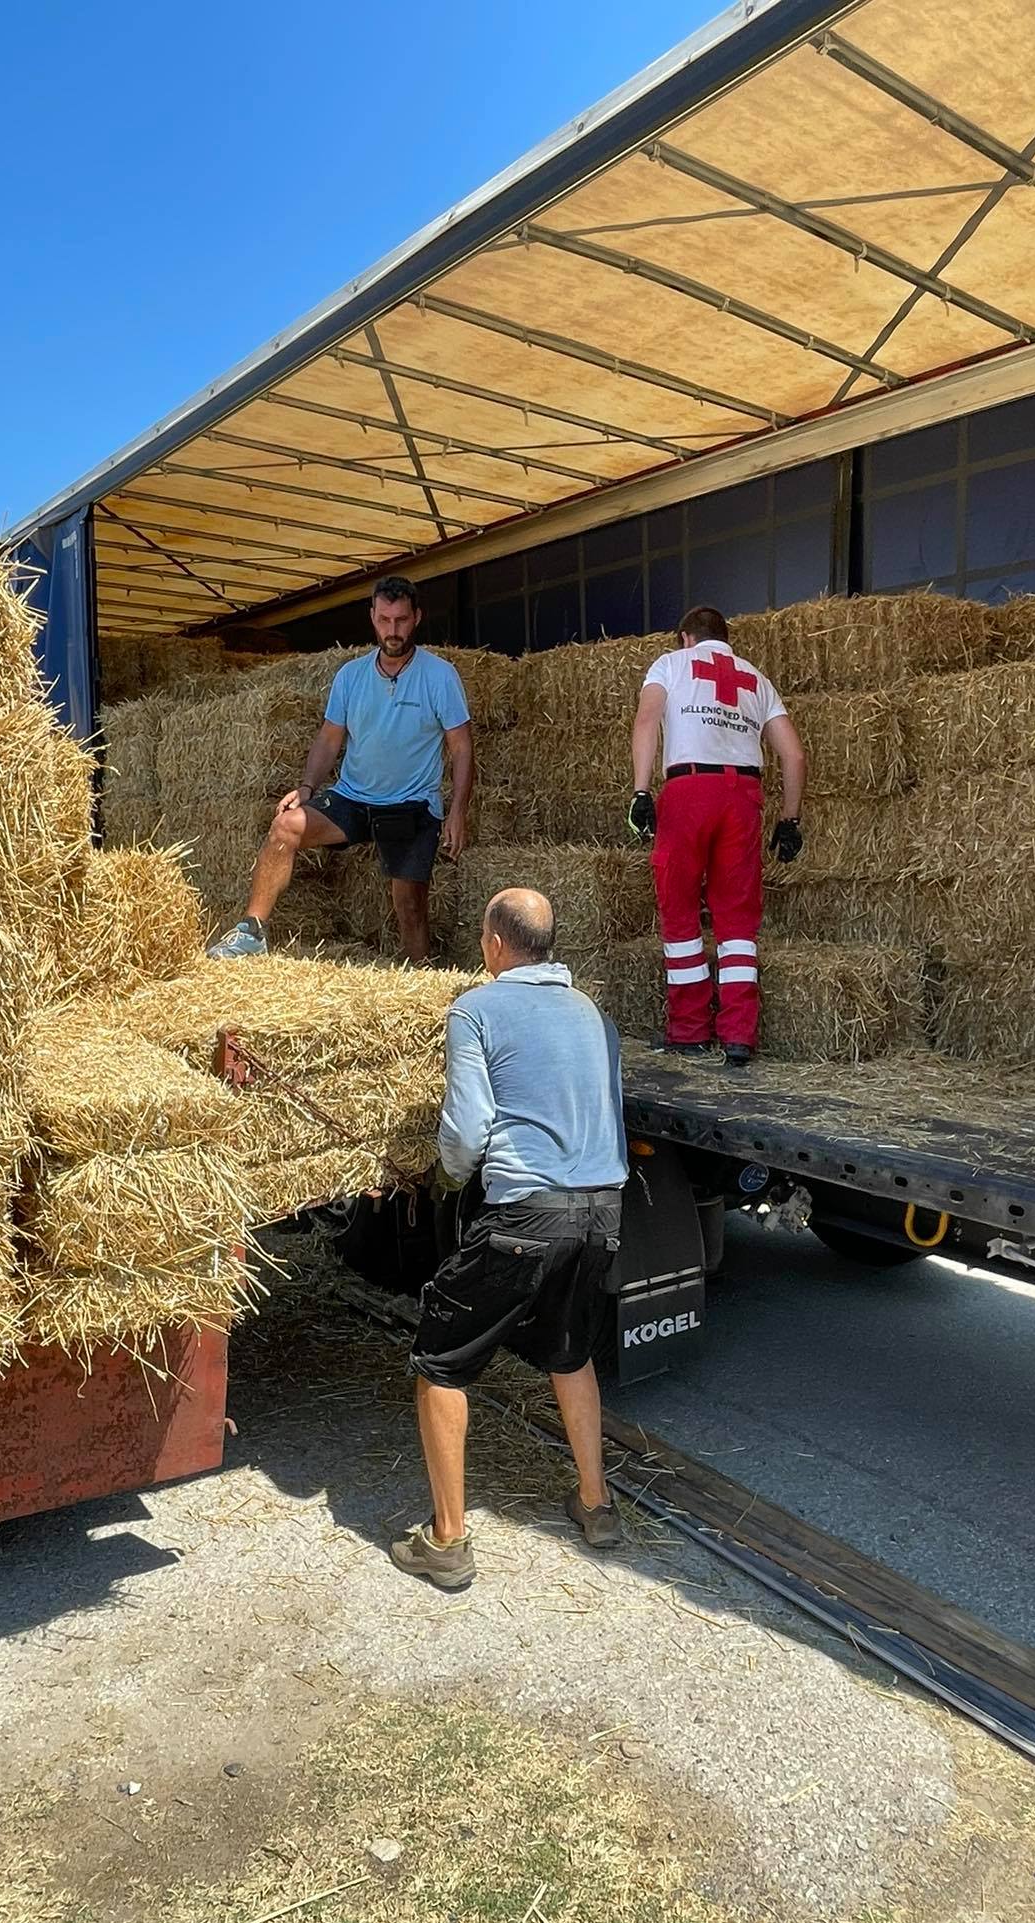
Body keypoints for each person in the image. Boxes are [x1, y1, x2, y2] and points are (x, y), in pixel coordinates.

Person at [391, 888, 628, 1591]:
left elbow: (466, 1130)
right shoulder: (595, 1015)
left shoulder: (477, 1009)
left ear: (494, 943)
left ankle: (447, 1541)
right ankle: (596, 1503)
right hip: (602, 1212)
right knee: (569, 1351)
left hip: (527, 1216)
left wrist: (444, 1176)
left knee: (440, 1360)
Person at [209, 575, 474, 965]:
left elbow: (462, 747)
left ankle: (421, 976)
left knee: (411, 908)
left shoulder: (440, 676)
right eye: (384, 620)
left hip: (411, 805)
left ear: (416, 617)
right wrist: (307, 787)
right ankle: (250, 932)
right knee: (286, 825)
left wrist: (457, 811)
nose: (393, 630)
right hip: (353, 797)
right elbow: (329, 739)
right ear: (372, 617)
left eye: (401, 620)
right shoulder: (350, 676)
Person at [628, 605, 806, 1066]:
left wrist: (641, 789)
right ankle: (738, 1036)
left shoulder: (671, 664)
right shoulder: (756, 680)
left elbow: (646, 721)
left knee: (680, 907)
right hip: (743, 795)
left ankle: (688, 1031)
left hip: (689, 790)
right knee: (738, 919)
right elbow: (794, 756)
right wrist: (790, 819)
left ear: (686, 638)